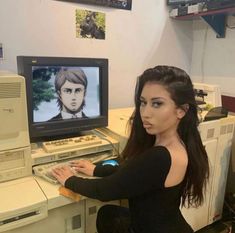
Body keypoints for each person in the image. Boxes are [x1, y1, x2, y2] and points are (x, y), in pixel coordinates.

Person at [51, 65, 209, 233]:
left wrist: (69, 179)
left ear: (181, 110)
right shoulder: (176, 143)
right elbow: (133, 173)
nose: (145, 113)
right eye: (143, 102)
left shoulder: (161, 156)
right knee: (108, 214)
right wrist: (96, 169)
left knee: (108, 214)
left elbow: (103, 191)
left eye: (157, 104)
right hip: (164, 223)